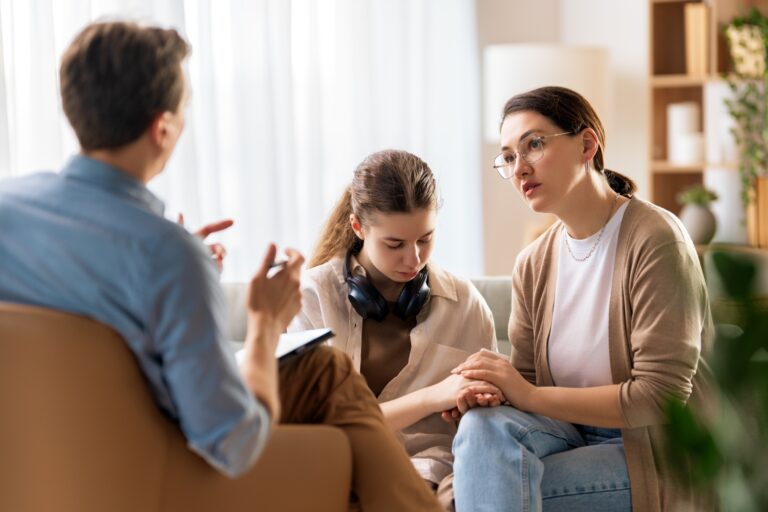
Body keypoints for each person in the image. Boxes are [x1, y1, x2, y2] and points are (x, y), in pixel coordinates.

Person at [0, 21, 441, 511]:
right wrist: (265, 324)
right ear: (162, 128)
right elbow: (235, 443)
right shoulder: (165, 254)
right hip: (154, 463)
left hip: (40, 459)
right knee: (324, 370)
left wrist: (180, 268)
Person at [450, 86, 714, 512]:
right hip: (568, 434)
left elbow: (659, 396)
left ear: (587, 144)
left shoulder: (656, 240)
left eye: (533, 144)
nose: (520, 168)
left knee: (493, 484)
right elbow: (527, 381)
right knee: (481, 429)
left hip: (651, 449)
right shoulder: (533, 262)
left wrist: (527, 396)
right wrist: (492, 392)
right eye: (510, 157)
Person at [289, 149, 501, 510]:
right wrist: (433, 396)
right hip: (338, 474)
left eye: (425, 239)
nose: (414, 259)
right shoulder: (310, 298)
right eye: (395, 244)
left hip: (435, 480)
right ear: (358, 227)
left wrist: (477, 399)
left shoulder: (465, 304)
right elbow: (315, 426)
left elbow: (488, 420)